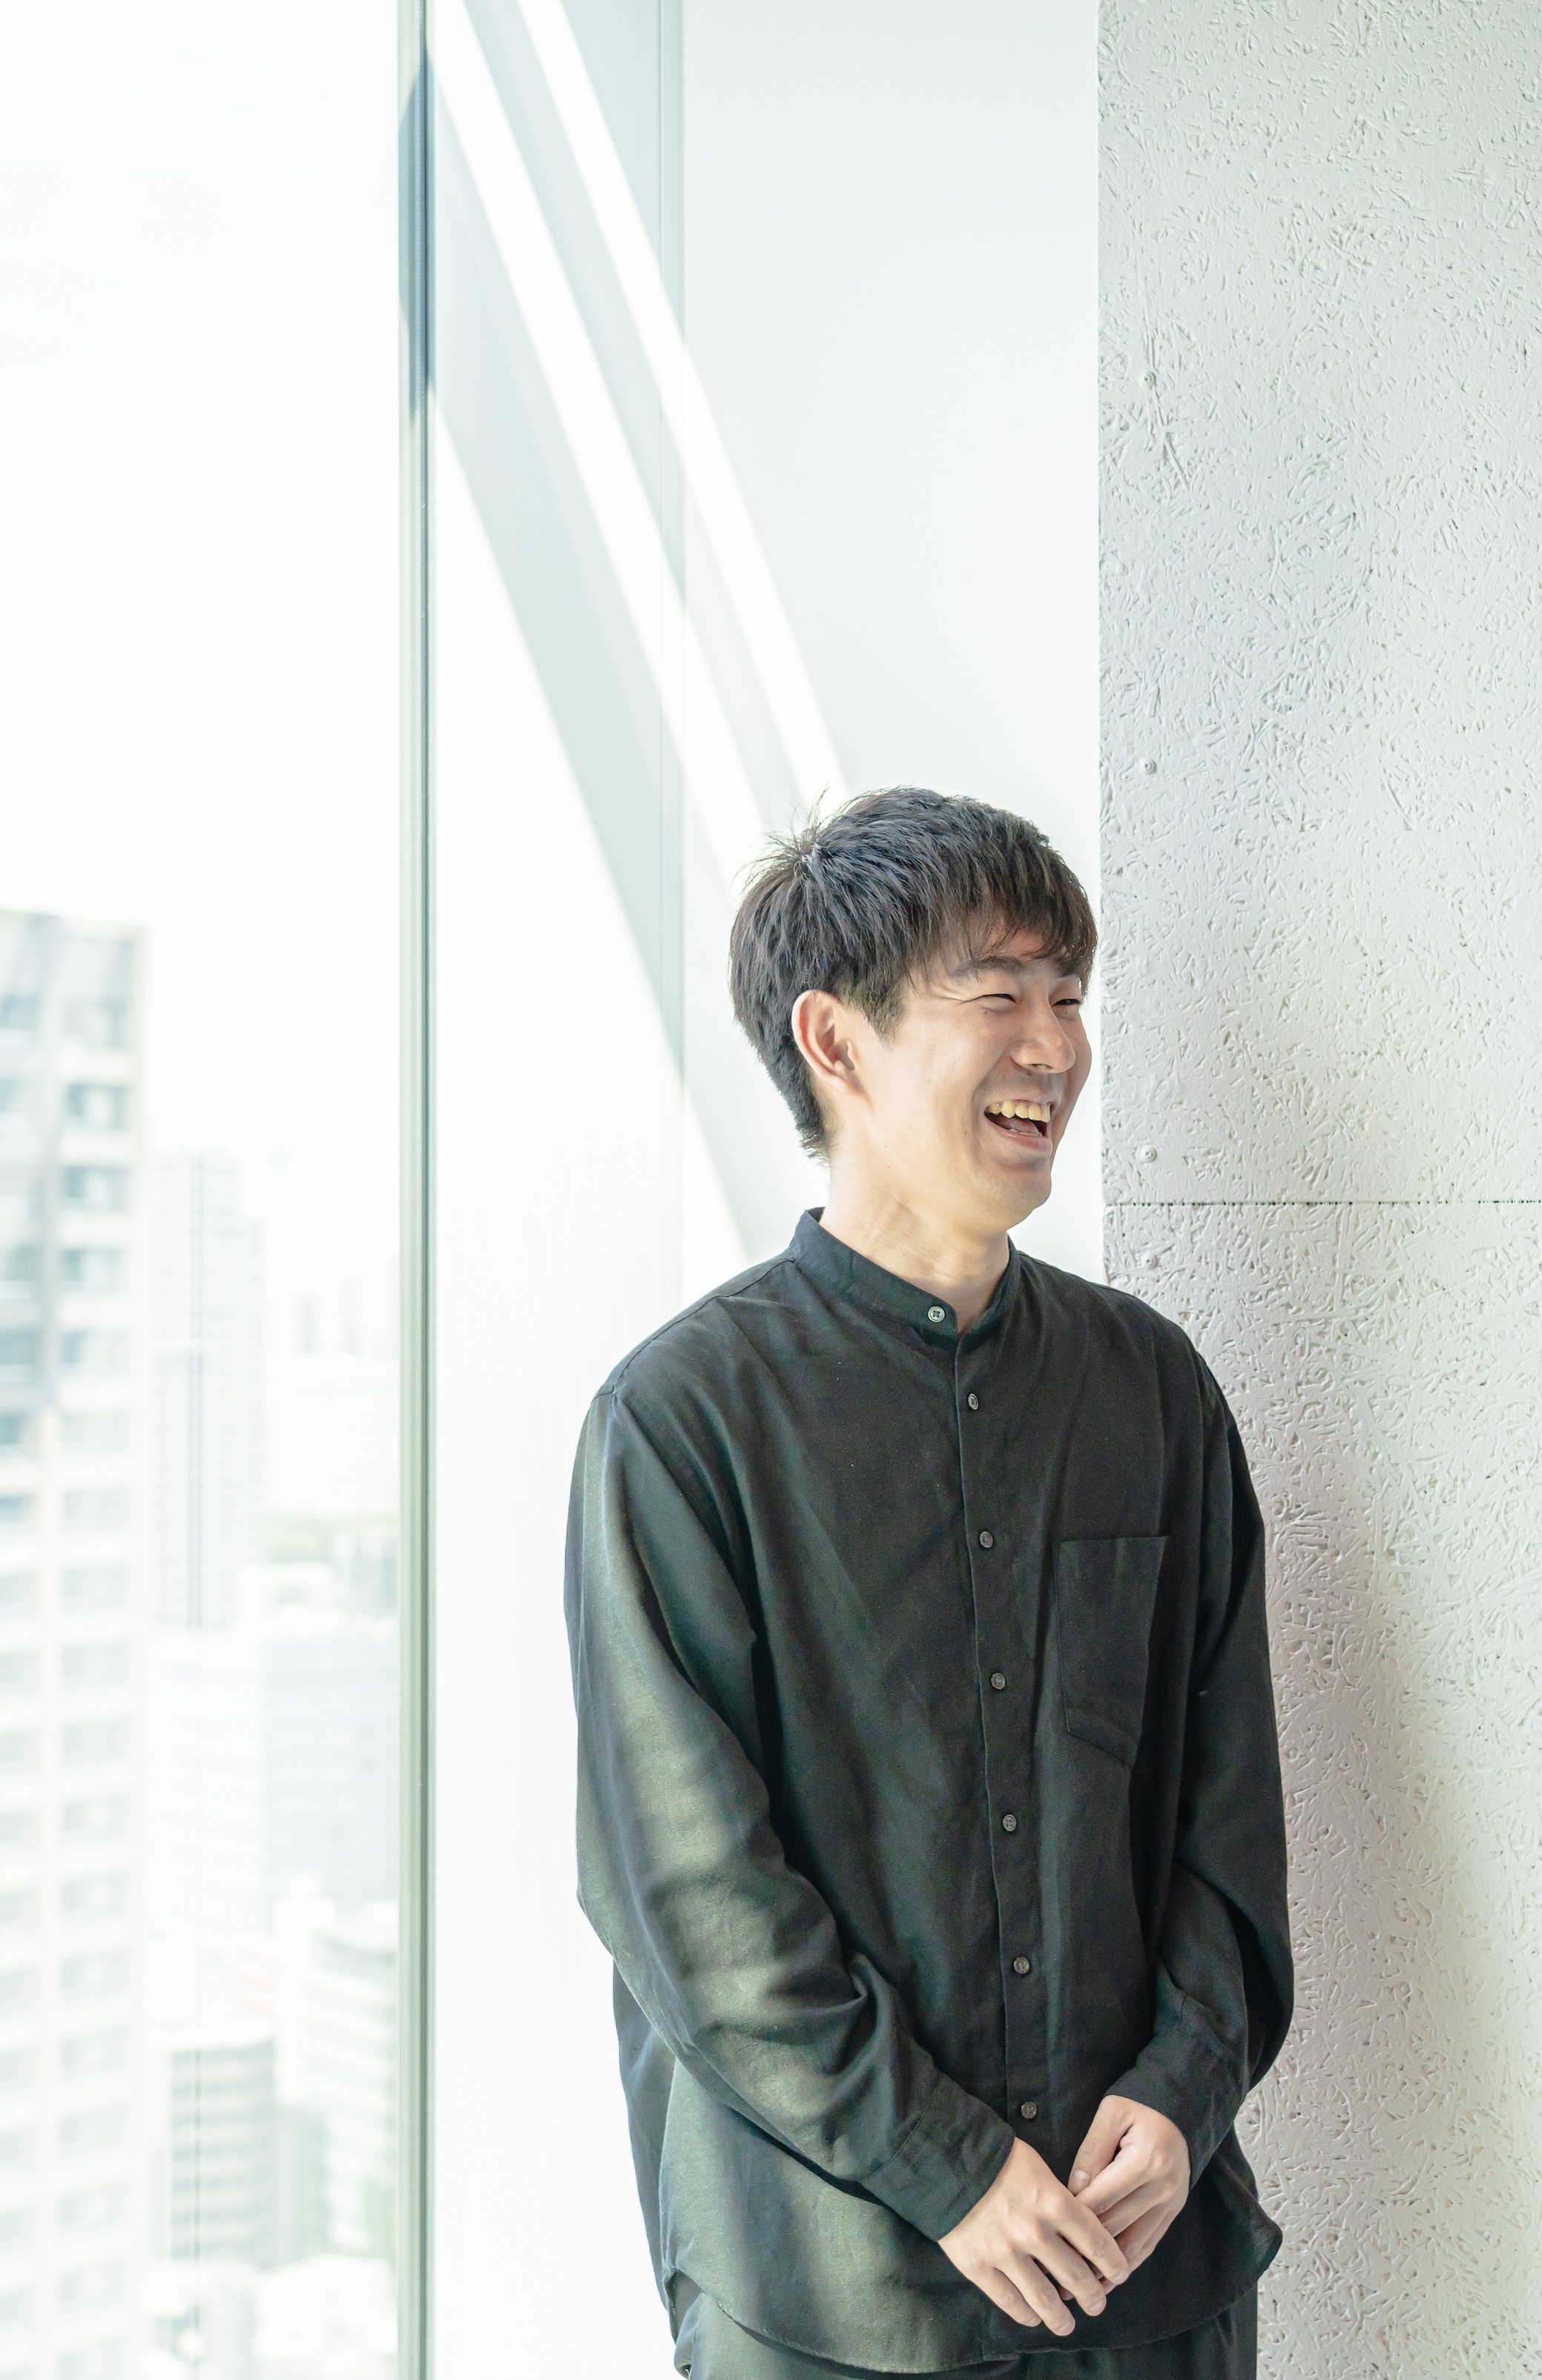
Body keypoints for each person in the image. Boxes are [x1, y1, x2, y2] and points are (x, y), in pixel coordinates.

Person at [568, 788, 1292, 2380]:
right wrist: (946, 2163)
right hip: (834, 2303)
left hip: (1143, 2289)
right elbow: (691, 1896)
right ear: (836, 1040)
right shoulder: (681, 1424)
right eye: (1000, 994)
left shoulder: (1152, 1391)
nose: (1055, 1046)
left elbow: (1227, 1813)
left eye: (1069, 996)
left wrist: (1184, 2091)